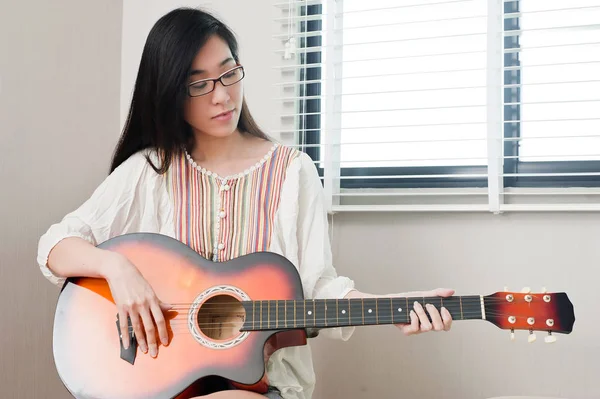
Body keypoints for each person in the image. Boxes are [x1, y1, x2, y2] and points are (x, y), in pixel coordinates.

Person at [37, 7, 453, 399]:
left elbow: (316, 287)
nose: (222, 97)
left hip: (264, 384)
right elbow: (56, 246)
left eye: (229, 73)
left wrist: (392, 307)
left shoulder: (293, 171)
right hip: (164, 378)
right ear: (168, 94)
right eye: (199, 84)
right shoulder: (151, 170)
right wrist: (118, 268)